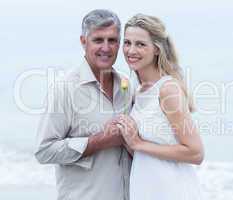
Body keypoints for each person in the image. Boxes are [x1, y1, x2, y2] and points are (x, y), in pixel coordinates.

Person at [34, 9, 132, 200]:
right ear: (83, 41)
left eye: (112, 40)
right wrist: (99, 141)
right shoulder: (64, 89)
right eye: (98, 40)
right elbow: (44, 151)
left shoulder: (126, 85)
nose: (106, 48)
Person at [116, 14, 205, 200]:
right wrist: (129, 141)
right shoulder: (138, 90)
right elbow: (146, 150)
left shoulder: (167, 90)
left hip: (172, 190)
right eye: (127, 43)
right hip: (145, 187)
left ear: (157, 49)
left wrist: (139, 144)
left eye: (140, 44)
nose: (131, 50)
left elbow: (196, 152)